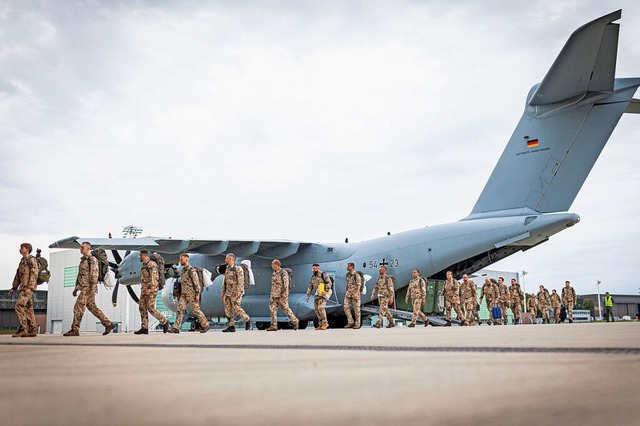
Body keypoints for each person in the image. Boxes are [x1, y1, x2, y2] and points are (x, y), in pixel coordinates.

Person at [63, 242, 115, 336]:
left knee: (78, 307)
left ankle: (75, 329)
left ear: (88, 248)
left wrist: (92, 289)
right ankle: (108, 324)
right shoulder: (83, 260)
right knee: (92, 307)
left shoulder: (92, 259)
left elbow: (94, 275)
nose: (81, 248)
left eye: (82, 247)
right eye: (80, 247)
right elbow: (80, 275)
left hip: (88, 288)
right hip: (84, 287)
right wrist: (76, 288)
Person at [168, 253, 209, 334]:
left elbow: (196, 283)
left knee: (196, 310)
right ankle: (176, 327)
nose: (180, 261)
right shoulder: (183, 271)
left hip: (191, 294)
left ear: (187, 260)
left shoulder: (191, 271)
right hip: (184, 294)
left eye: (181, 259)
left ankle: (205, 324)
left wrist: (197, 294)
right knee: (180, 310)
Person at [134, 250, 169, 334]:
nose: (139, 257)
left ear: (144, 255)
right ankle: (144, 328)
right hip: (144, 290)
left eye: (140, 255)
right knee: (142, 307)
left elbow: (154, 278)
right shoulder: (144, 265)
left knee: (151, 308)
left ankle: (164, 321)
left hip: (151, 290)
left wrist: (150, 289)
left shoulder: (151, 264)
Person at [9, 243, 39, 337]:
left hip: (27, 289)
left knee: (18, 306)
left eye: (22, 248)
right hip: (23, 288)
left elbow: (34, 274)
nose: (20, 249)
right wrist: (14, 287)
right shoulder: (22, 261)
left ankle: (23, 328)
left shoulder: (32, 260)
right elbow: (18, 275)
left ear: (27, 249)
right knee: (28, 309)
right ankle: (32, 330)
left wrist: (30, 287)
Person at [221, 253, 251, 332]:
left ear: (231, 259)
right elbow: (225, 281)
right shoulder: (227, 268)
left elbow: (241, 281)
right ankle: (231, 326)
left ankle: (247, 319)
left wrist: (238, 291)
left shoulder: (238, 268)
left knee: (236, 307)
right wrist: (223, 292)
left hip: (236, 292)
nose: (225, 260)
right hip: (228, 292)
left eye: (226, 258)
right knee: (228, 309)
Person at [267, 259, 298, 331]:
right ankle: (273, 325)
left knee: (286, 309)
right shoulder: (274, 273)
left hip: (281, 295)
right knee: (272, 309)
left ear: (276, 264)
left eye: (272, 264)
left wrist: (285, 293)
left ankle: (295, 321)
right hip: (274, 295)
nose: (271, 266)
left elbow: (286, 283)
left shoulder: (283, 272)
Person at [306, 263, 332, 330]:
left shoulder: (323, 275)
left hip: (323, 295)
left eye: (315, 268)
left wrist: (326, 291)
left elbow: (329, 283)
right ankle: (320, 324)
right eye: (313, 269)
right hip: (317, 295)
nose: (313, 270)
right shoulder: (313, 277)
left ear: (318, 268)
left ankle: (325, 323)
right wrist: (308, 295)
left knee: (321, 308)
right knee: (316, 309)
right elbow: (310, 287)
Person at [343, 262, 362, 329]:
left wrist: (356, 293)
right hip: (348, 294)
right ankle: (350, 322)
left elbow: (359, 285)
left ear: (352, 267)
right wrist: (346, 291)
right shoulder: (347, 275)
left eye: (348, 266)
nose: (347, 267)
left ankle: (357, 324)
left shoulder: (356, 275)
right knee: (345, 307)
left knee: (357, 310)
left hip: (355, 294)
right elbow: (347, 284)